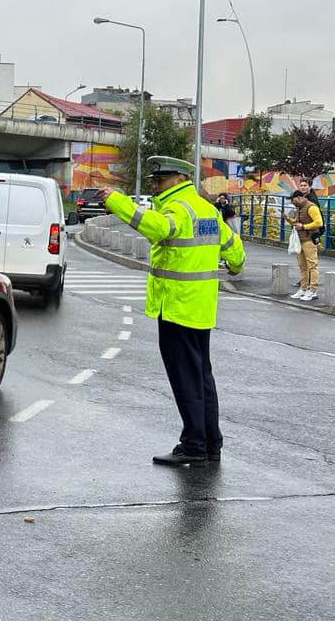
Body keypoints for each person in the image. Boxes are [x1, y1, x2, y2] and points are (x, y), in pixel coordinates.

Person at [98, 156, 245, 466]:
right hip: (200, 307)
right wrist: (235, 266)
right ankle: (210, 443)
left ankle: (193, 444)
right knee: (202, 377)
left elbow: (158, 229)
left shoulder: (177, 209)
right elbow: (234, 247)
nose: (155, 185)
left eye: (160, 180)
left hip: (177, 306)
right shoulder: (207, 209)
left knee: (186, 380)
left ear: (179, 179)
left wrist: (118, 202)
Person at [284, 190, 323, 301]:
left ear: (300, 198)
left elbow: (319, 222)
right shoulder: (299, 208)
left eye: (294, 200)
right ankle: (303, 288)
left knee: (312, 265)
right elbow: (297, 223)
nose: (293, 203)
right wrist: (288, 219)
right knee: (302, 266)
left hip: (309, 240)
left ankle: (313, 290)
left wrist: (304, 227)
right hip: (300, 240)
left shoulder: (312, 207)